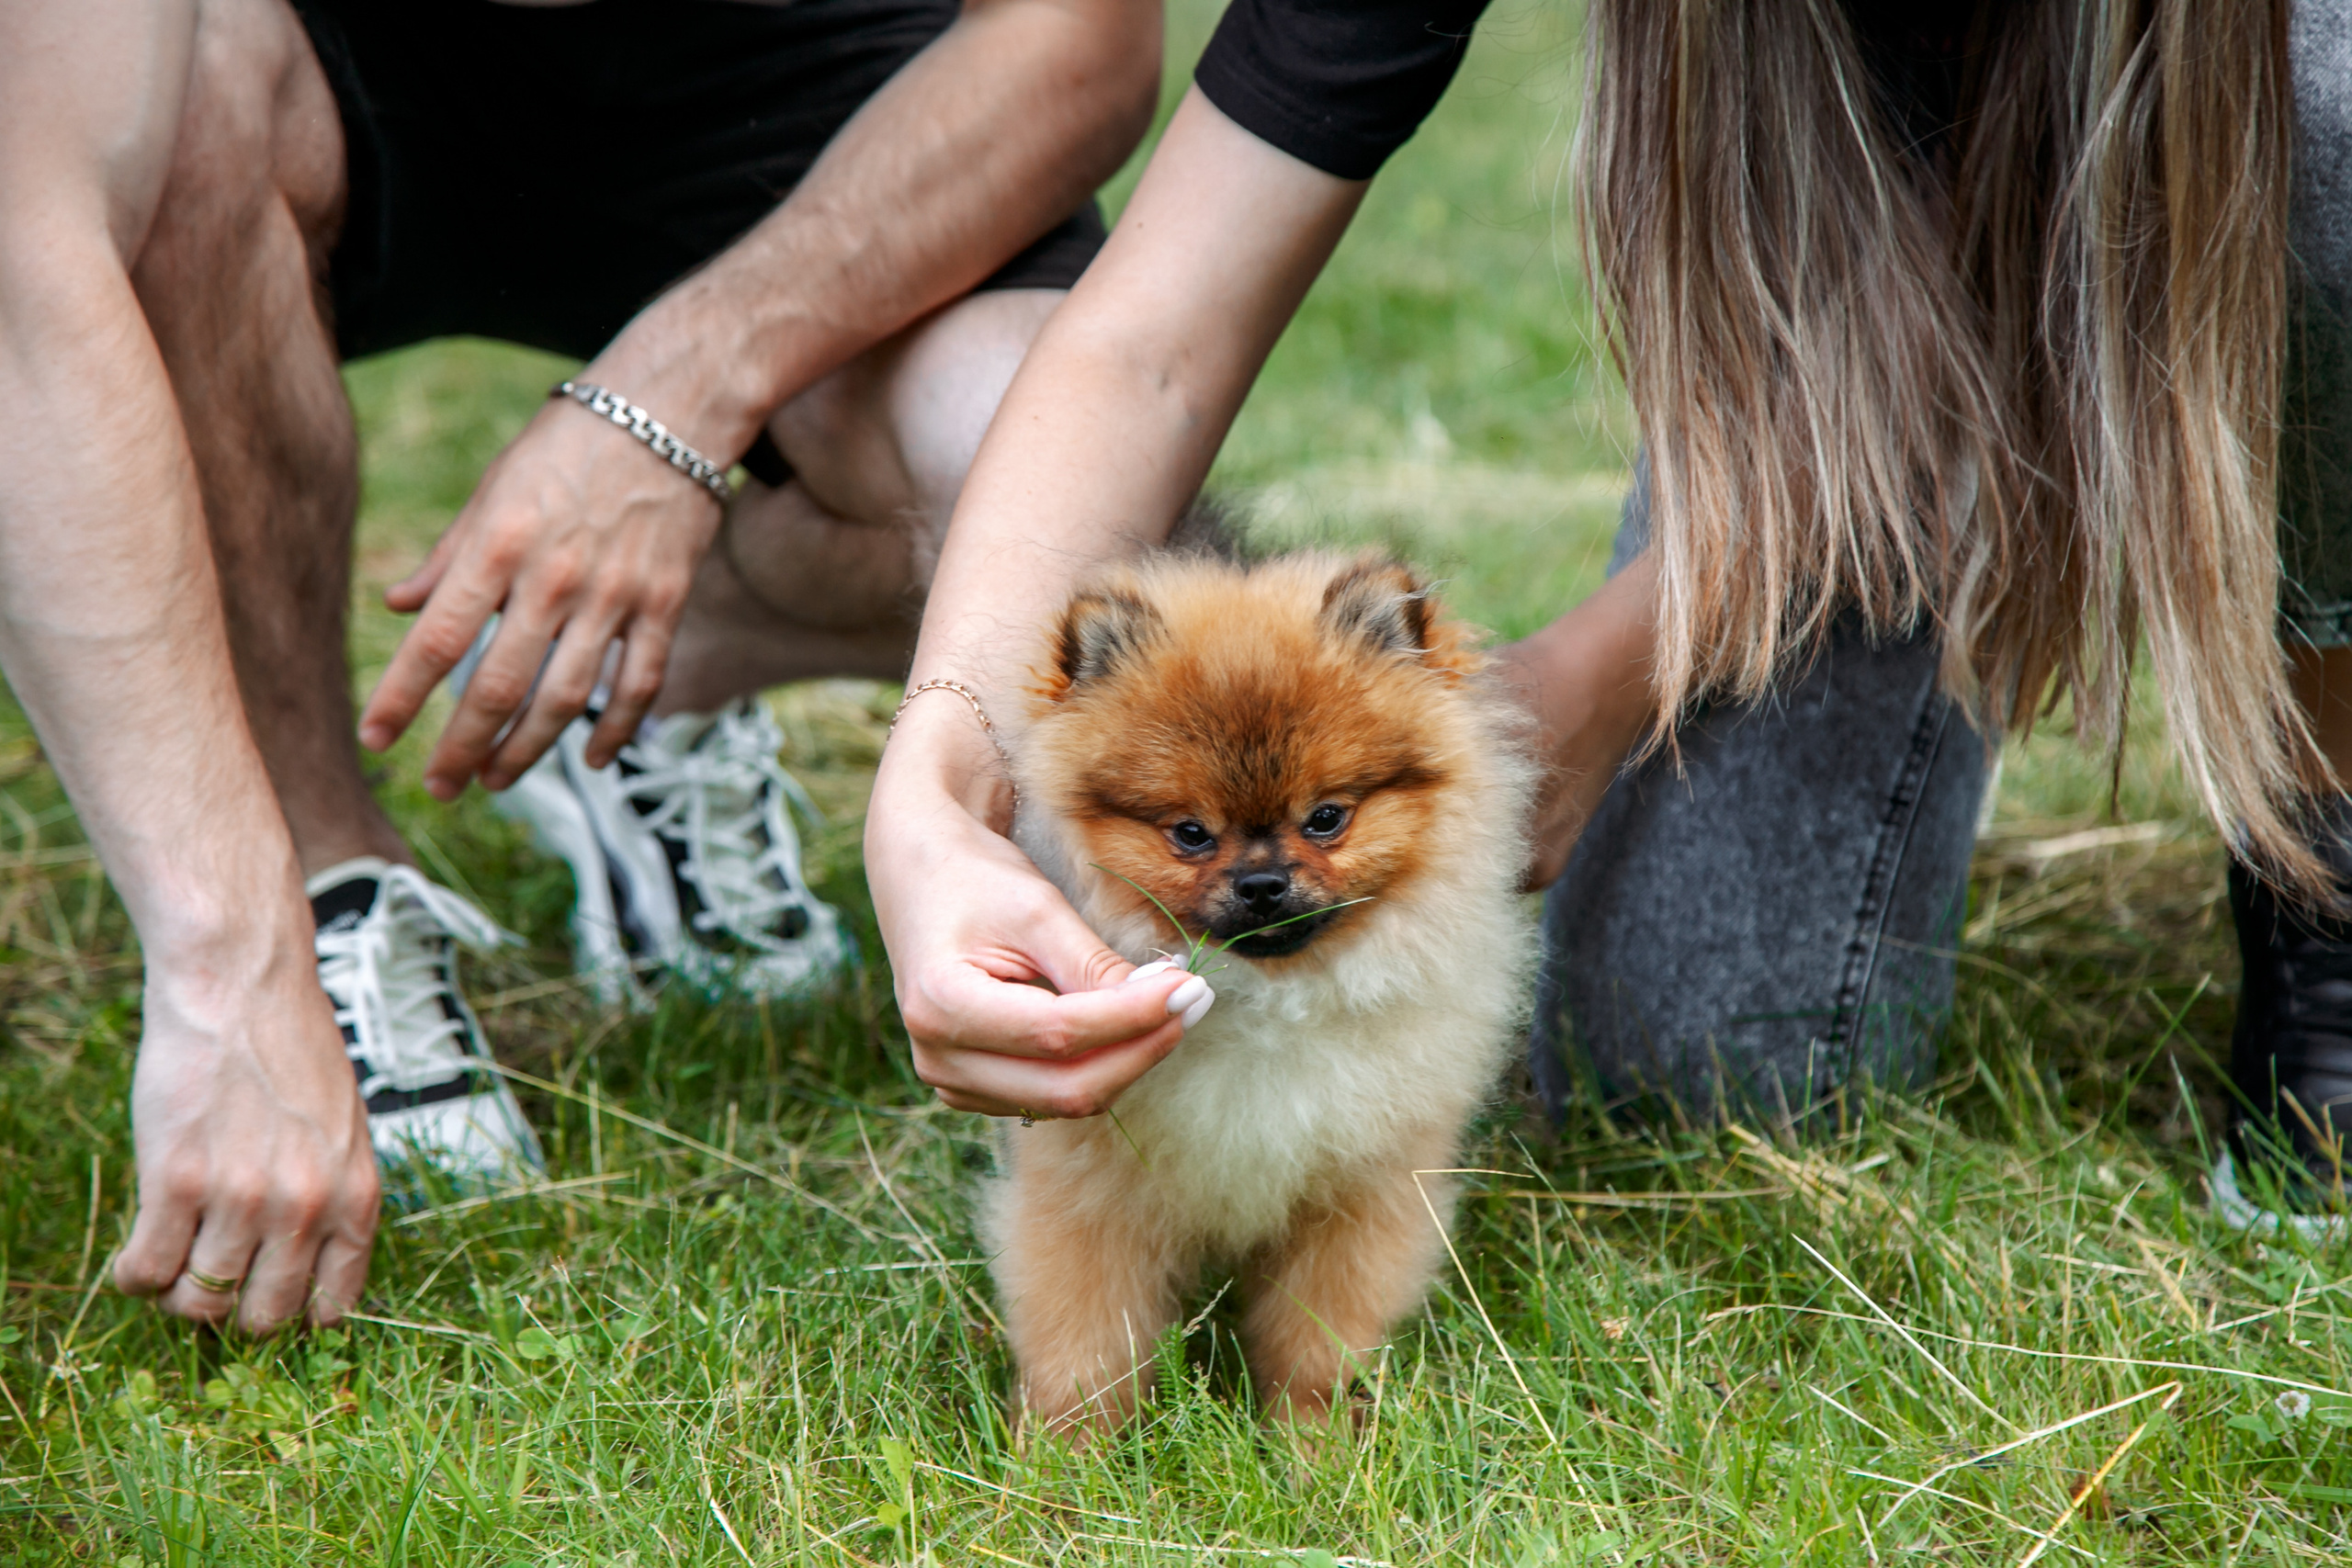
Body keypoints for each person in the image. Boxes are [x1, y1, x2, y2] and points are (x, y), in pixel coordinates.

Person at [849, 0, 2352, 1231]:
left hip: (2227, 148)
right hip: (1829, 375)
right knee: (1688, 1071)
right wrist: (931, 792)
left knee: (2322, 124)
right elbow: (1147, 347)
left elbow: (2047, 289)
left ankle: (2325, 866)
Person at [0, 0, 1159, 1333]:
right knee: (179, 111)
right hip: (314, 57)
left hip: (811, 56)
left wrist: (665, 405)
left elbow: (1085, 46)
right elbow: (29, 257)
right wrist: (223, 958)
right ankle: (325, 900)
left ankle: (645, 676)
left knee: (1063, 480)